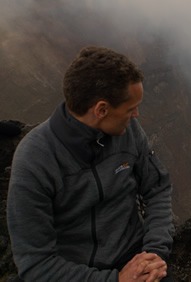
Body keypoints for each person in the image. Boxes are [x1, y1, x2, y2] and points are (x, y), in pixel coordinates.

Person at [7, 46, 174, 281]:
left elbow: (157, 188)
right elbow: (36, 265)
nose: (136, 115)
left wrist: (153, 255)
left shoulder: (128, 131)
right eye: (130, 109)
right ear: (101, 109)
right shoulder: (35, 160)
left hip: (136, 260)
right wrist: (116, 280)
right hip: (75, 273)